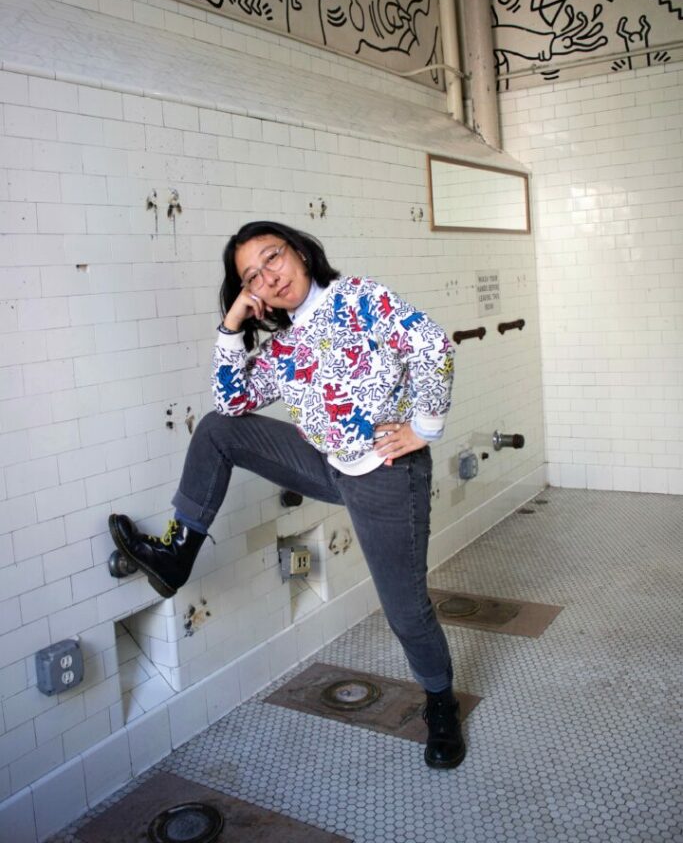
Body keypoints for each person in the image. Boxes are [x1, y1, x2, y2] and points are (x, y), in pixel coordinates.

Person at [109, 220, 464, 769]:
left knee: (405, 609)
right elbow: (232, 402)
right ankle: (178, 551)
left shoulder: (358, 297)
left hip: (386, 472)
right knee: (217, 430)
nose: (268, 278)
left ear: (297, 251)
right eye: (251, 277)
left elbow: (432, 345)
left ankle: (440, 702)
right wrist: (231, 324)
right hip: (327, 464)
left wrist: (424, 427)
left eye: (271, 259)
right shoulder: (285, 345)